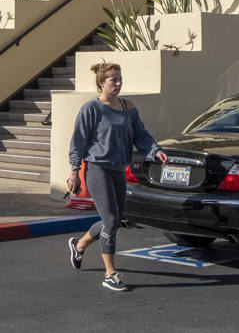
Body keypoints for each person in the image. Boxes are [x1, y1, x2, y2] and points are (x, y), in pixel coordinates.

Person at [66, 61, 168, 292]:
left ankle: (79, 245)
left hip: (119, 168)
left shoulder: (128, 107)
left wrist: (155, 150)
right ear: (102, 83)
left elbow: (141, 135)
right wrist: (74, 172)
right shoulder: (91, 108)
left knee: (114, 220)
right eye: (114, 80)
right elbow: (78, 141)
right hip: (97, 168)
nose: (119, 83)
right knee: (111, 220)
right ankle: (110, 273)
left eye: (120, 79)